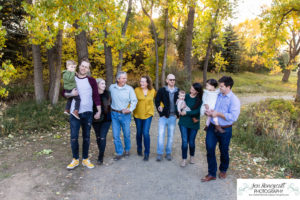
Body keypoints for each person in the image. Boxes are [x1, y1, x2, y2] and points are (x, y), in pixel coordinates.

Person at [201, 76, 240, 182]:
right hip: (212, 127)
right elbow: (210, 106)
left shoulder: (234, 100)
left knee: (223, 150)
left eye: (222, 86)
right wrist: (207, 112)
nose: (220, 88)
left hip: (225, 129)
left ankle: (223, 169)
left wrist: (218, 114)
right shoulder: (217, 95)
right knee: (209, 148)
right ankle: (211, 173)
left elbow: (233, 117)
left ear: (228, 87)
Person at [65, 58, 101, 170]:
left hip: (88, 112)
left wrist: (99, 110)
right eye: (82, 66)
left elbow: (96, 96)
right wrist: (71, 94)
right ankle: (75, 159)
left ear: (88, 69)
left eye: (86, 66)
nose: (83, 68)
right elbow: (64, 93)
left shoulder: (92, 81)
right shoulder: (72, 78)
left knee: (86, 137)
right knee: (74, 137)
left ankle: (85, 159)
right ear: (79, 66)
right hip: (74, 113)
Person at [109, 71, 137, 161]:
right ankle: (119, 152)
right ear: (118, 79)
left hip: (125, 115)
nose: (125, 79)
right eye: (123, 78)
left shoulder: (129, 89)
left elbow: (134, 100)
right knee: (116, 135)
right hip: (114, 114)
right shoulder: (111, 88)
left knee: (126, 134)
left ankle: (127, 150)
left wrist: (130, 109)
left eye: (126, 78)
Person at [155, 74, 179, 161]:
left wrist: (178, 114)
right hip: (163, 117)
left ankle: (168, 153)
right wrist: (160, 111)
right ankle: (159, 153)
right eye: (171, 79)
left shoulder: (178, 91)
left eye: (174, 79)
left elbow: (181, 103)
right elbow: (157, 101)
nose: (172, 81)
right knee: (161, 135)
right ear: (167, 80)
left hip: (173, 117)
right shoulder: (162, 90)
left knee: (170, 136)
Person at [178, 83, 203, 167]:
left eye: (193, 89)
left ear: (197, 91)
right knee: (185, 141)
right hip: (183, 122)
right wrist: (179, 109)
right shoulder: (186, 96)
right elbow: (178, 103)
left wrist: (187, 112)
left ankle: (192, 156)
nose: (191, 90)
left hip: (194, 123)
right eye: (191, 88)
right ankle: (184, 159)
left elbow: (197, 112)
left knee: (191, 142)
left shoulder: (199, 100)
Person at [133, 76, 156, 161]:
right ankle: (139, 149)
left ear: (147, 83)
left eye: (143, 82)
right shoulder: (136, 90)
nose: (141, 83)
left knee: (145, 133)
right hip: (138, 115)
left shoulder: (152, 91)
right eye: (140, 81)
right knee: (139, 132)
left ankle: (147, 153)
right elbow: (132, 100)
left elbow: (158, 100)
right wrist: (128, 109)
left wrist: (161, 106)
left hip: (148, 115)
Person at [92, 78, 111, 165]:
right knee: (98, 137)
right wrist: (95, 115)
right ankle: (101, 151)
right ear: (97, 85)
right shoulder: (92, 95)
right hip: (95, 119)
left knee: (102, 137)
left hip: (106, 119)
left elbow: (108, 106)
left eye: (105, 84)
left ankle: (101, 156)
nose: (104, 85)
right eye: (102, 84)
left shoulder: (107, 93)